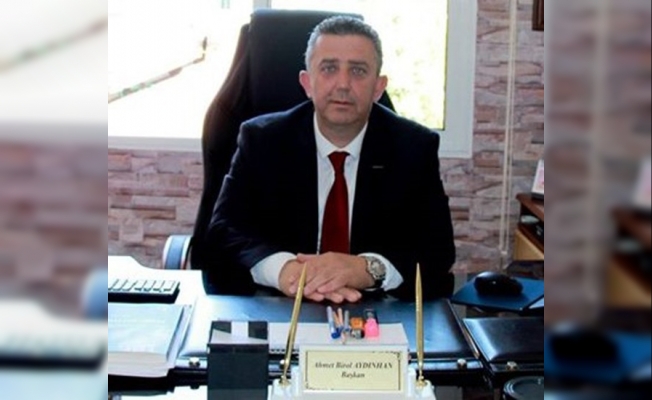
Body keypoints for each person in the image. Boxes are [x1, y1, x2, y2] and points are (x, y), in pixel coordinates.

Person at [207, 16, 455, 302]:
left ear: (378, 87)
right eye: (329, 68)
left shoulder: (414, 147)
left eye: (358, 71)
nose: (343, 84)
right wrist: (283, 270)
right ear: (307, 83)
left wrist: (367, 268)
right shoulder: (262, 140)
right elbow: (223, 231)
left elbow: (437, 249)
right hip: (280, 304)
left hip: (374, 309)